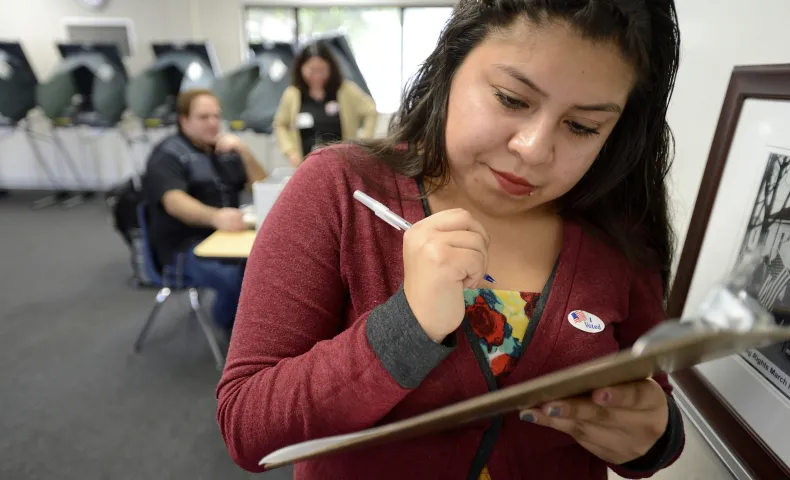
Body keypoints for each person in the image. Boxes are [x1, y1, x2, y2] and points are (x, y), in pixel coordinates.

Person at [217, 0, 685, 478]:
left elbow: (650, 398)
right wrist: (408, 325)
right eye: (511, 99)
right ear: (451, 63)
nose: (535, 149)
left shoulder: (618, 233)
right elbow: (247, 427)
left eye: (583, 126)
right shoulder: (344, 189)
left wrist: (654, 438)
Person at [143, 88, 268, 333]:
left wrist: (244, 151)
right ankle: (232, 329)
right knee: (245, 282)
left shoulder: (223, 150)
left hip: (227, 240)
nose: (212, 123)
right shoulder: (168, 155)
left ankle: (253, 328)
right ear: (184, 120)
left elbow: (263, 187)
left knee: (272, 267)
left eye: (216, 116)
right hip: (184, 249)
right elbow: (174, 200)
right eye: (203, 117)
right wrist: (215, 217)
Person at [273, 41, 378, 167]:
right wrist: (290, 151)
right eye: (311, 70)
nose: (316, 76)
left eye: (321, 70)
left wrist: (362, 144)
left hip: (341, 163)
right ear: (301, 68)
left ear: (330, 68)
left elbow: (371, 110)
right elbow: (280, 124)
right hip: (305, 164)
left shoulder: (346, 90)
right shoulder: (292, 94)